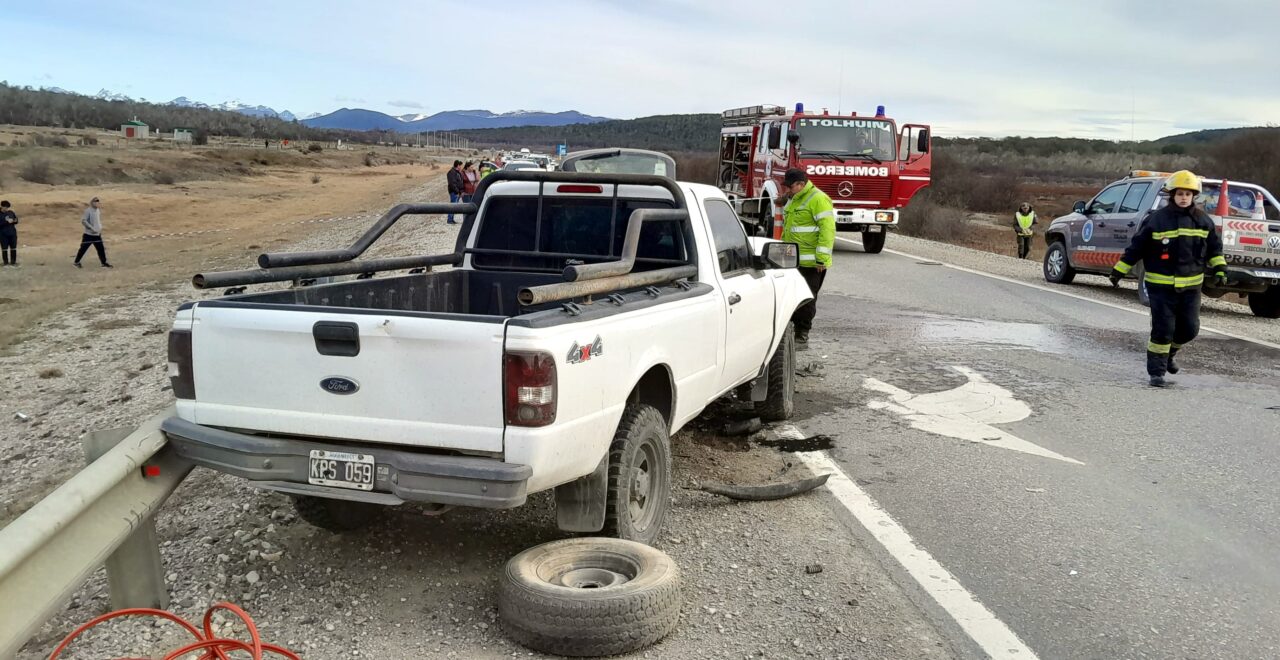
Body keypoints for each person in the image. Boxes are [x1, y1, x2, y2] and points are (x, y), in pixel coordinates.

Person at [1110, 170, 1225, 387]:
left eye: (1188, 194)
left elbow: (1214, 248)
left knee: (1190, 329)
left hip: (1191, 287)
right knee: (1163, 329)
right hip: (1161, 287)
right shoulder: (1156, 220)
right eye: (1180, 193)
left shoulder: (1203, 221)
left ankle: (1170, 353)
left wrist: (1220, 270)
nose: (1183, 197)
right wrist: (1119, 270)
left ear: (1193, 196)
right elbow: (1137, 247)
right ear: (1172, 195)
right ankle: (1157, 372)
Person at [779, 168, 836, 345]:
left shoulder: (818, 199)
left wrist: (821, 258)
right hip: (791, 259)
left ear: (801, 185)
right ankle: (790, 331)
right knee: (790, 296)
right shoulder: (794, 199)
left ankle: (802, 334)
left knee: (806, 298)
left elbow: (827, 230)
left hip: (812, 262)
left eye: (790, 187)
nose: (787, 190)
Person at [75, 197, 112, 268]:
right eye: (96, 202)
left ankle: (103, 263)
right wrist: (91, 228)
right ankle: (76, 262)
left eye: (98, 202)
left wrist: (99, 227)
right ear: (92, 203)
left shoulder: (98, 210)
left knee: (101, 249)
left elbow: (97, 221)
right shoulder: (88, 211)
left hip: (97, 234)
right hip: (89, 235)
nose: (97, 204)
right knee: (83, 249)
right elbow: (84, 221)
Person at [446, 160, 464, 224]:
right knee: (452, 206)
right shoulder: (452, 172)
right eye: (461, 166)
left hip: (457, 192)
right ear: (458, 165)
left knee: (454, 206)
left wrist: (461, 191)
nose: (462, 167)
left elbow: (460, 182)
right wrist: (457, 191)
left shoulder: (457, 172)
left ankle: (451, 219)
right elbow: (452, 184)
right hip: (454, 192)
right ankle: (450, 219)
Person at [0, 201, 17, 266]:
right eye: (5, 207)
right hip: (3, 234)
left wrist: (14, 221)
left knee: (13, 248)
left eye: (7, 208)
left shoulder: (11, 212)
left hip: (12, 233)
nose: (6, 209)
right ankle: (5, 262)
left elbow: (16, 219)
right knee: (4, 248)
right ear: (2, 206)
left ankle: (13, 262)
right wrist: (6, 222)